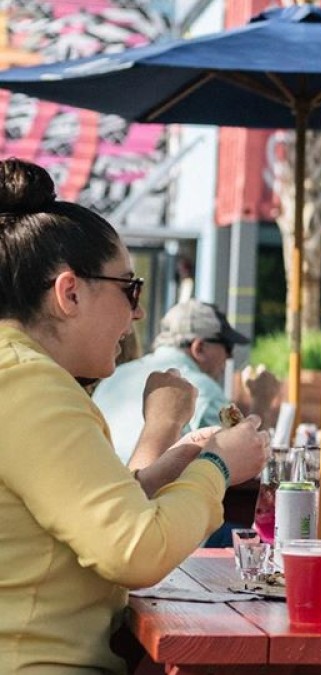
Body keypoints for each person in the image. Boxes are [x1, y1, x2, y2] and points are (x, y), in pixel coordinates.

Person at [0, 157, 268, 672]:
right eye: (130, 289)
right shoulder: (31, 386)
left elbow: (76, 516)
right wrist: (218, 467)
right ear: (70, 292)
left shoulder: (22, 374)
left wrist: (175, 462)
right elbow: (134, 551)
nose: (138, 314)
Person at [93, 299, 277, 466]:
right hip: (151, 498)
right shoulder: (202, 387)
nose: (229, 357)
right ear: (200, 348)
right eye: (227, 347)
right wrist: (262, 400)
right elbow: (246, 453)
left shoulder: (116, 375)